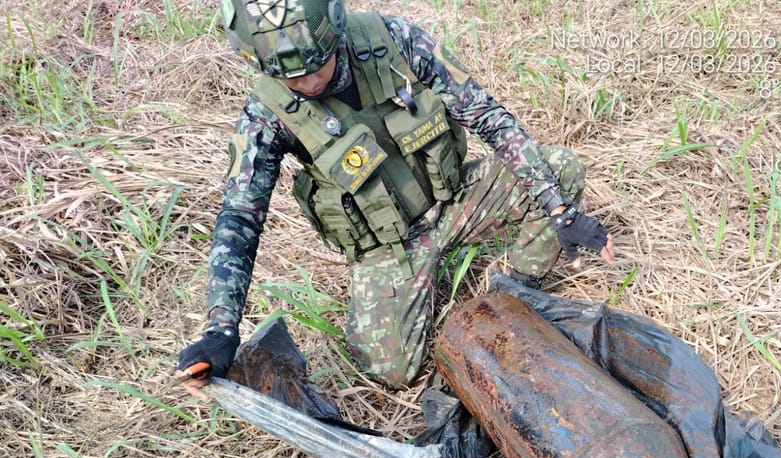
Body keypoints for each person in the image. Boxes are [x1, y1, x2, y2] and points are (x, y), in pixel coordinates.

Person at [177, 0, 614, 395]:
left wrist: (558, 208)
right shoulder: (267, 113)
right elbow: (240, 216)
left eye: (319, 65)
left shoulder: (392, 39)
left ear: (335, 34)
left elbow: (487, 115)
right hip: (389, 246)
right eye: (291, 76)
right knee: (389, 371)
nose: (309, 82)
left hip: (456, 200)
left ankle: (516, 293)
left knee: (560, 169)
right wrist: (221, 329)